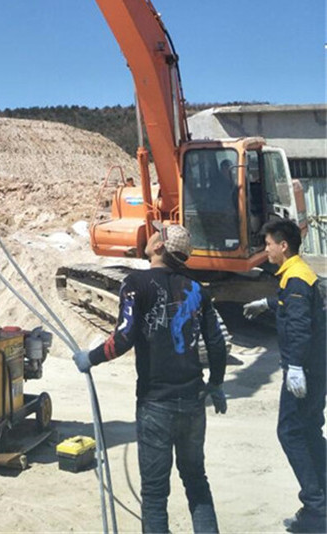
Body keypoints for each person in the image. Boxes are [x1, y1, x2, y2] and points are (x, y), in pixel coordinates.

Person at [73, 224, 227, 534]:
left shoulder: (136, 283)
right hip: (194, 401)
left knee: (155, 495)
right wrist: (217, 383)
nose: (150, 236)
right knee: (196, 480)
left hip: (156, 404)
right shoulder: (197, 289)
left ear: (160, 248)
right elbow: (217, 343)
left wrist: (90, 358)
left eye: (156, 235)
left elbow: (124, 337)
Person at [243, 217, 326, 534]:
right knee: (310, 429)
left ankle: (316, 508)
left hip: (304, 369)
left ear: (283, 245)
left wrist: (293, 367)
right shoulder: (299, 274)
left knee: (290, 433)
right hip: (317, 367)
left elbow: (299, 328)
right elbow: (295, 307)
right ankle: (323, 498)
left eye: (268, 245)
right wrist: (268, 302)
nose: (266, 251)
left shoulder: (294, 280)